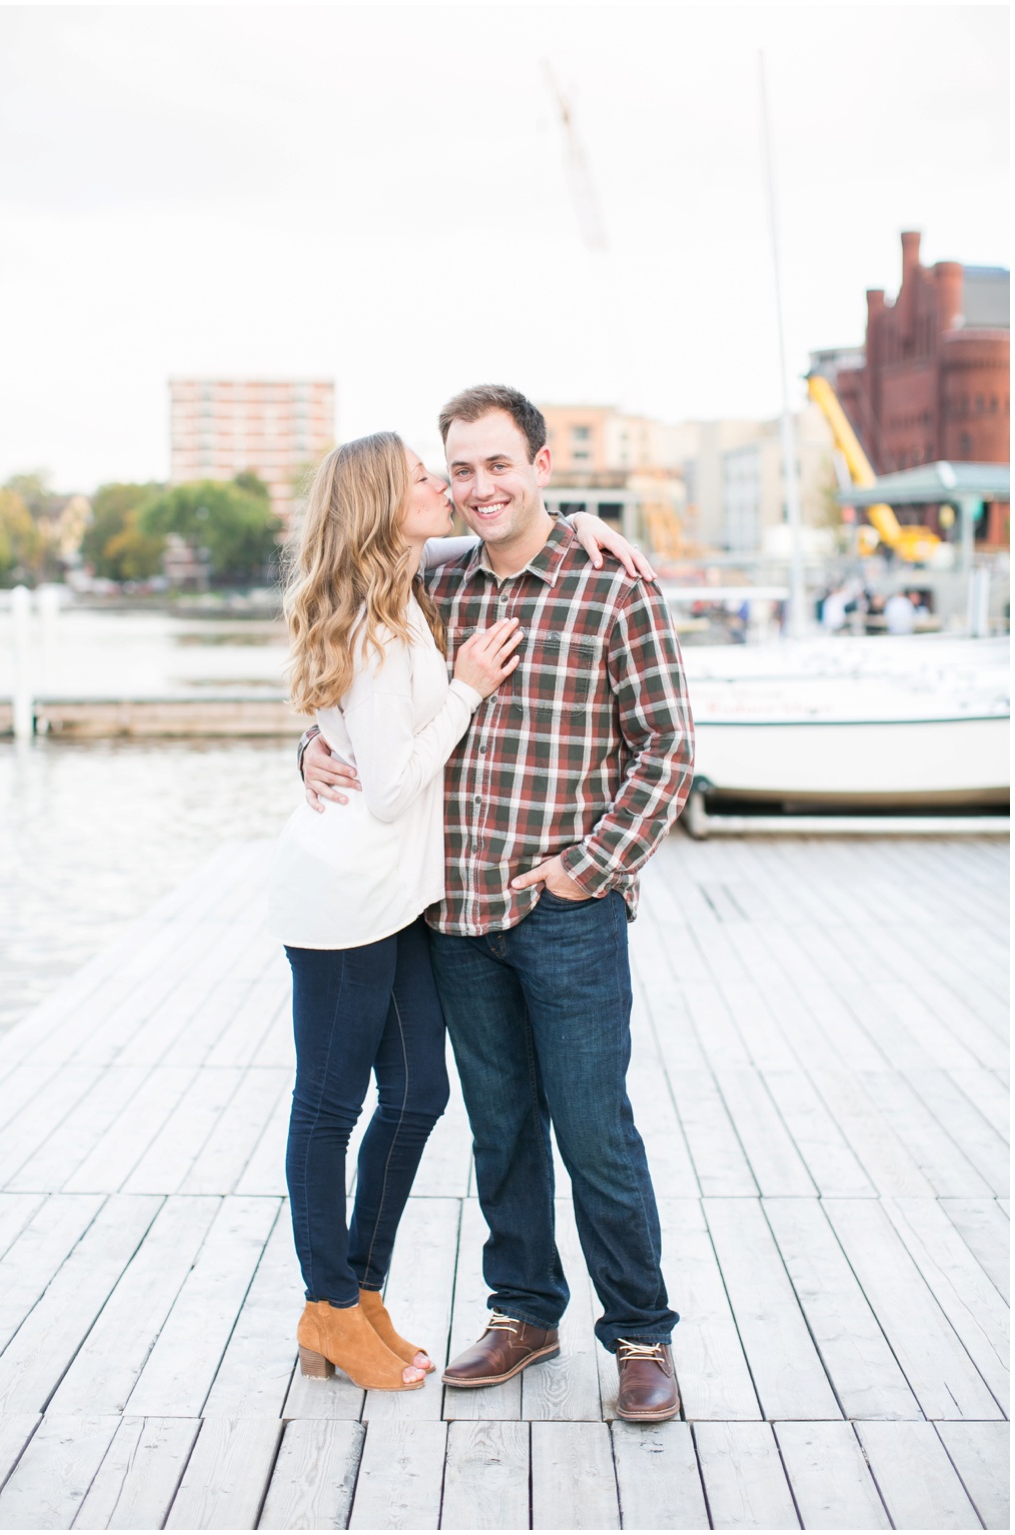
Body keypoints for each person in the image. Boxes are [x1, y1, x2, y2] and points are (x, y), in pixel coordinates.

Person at [302, 384, 694, 1422]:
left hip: (566, 913)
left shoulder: (612, 586)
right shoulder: (435, 588)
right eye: (458, 467)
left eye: (495, 465)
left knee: (592, 1127)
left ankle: (641, 1336)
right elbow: (341, 650)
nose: (476, 487)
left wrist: (590, 864)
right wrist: (310, 744)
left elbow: (666, 748)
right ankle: (523, 1312)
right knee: (500, 1131)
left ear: (540, 463)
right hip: (455, 919)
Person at [270, 432, 525, 1391]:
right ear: (384, 501)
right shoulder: (381, 632)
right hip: (343, 900)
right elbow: (387, 789)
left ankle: (360, 1294)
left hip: (395, 898)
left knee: (419, 1092)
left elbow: (508, 533)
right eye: (426, 475)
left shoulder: (405, 599)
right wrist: (467, 688)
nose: (445, 485)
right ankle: (327, 1307)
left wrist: (577, 518)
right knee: (329, 1108)